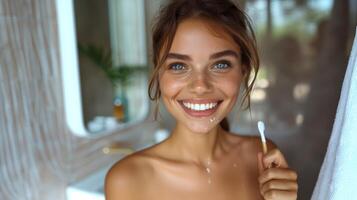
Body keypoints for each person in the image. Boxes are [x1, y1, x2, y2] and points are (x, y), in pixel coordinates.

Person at [105, 0, 298, 199]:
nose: (200, 86)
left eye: (221, 65)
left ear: (243, 70)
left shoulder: (262, 155)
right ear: (159, 74)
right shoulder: (128, 180)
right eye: (178, 66)